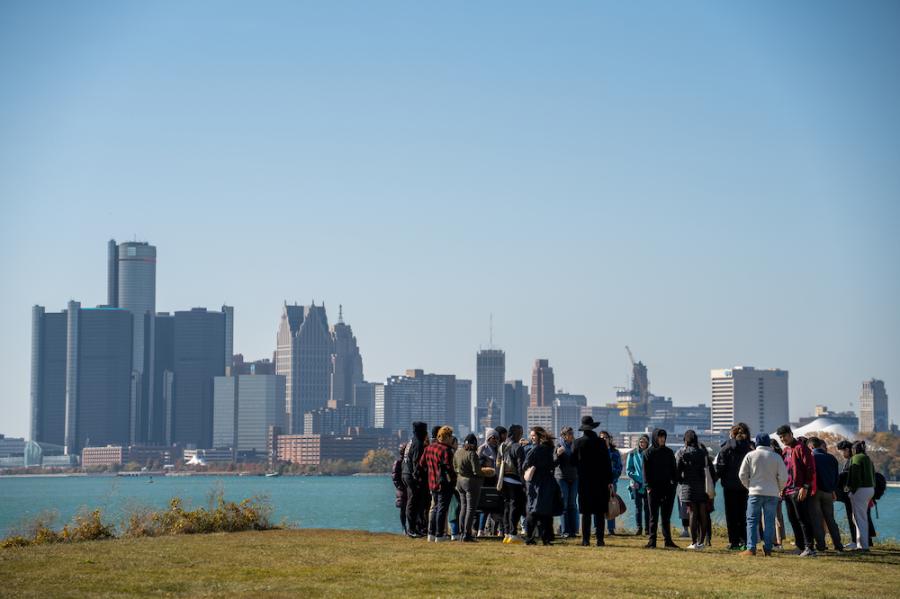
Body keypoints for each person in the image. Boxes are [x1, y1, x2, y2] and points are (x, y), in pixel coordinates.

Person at [738, 433, 788, 556]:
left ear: (757, 443)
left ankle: (751, 548)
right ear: (769, 443)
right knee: (770, 521)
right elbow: (784, 477)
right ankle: (768, 548)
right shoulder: (776, 457)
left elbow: (742, 475)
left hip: (755, 492)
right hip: (772, 493)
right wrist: (778, 488)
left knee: (752, 521)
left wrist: (749, 486)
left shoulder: (750, 455)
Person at [776, 425, 818, 557]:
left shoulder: (801, 448)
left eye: (784, 436)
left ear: (791, 434)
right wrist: (781, 488)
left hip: (798, 489)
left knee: (803, 519)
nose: (782, 439)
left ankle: (810, 548)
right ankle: (800, 546)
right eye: (780, 437)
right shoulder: (785, 450)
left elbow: (810, 469)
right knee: (793, 519)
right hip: (787, 490)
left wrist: (805, 487)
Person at [572, 416, 614, 547]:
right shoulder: (601, 443)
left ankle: (586, 540)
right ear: (593, 427)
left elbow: (572, 462)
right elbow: (608, 463)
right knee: (600, 512)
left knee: (586, 513)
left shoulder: (577, 443)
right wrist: (609, 480)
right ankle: (600, 540)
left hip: (584, 482)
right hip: (600, 482)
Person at [715, 423, 753, 550]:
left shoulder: (725, 448)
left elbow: (720, 467)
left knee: (731, 515)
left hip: (729, 486)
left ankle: (733, 541)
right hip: (745, 486)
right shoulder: (750, 449)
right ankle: (744, 540)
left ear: (732, 434)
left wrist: (716, 478)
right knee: (744, 514)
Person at [523, 426, 560, 545]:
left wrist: (532, 468)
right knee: (546, 512)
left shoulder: (535, 450)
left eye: (533, 435)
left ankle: (530, 538)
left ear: (539, 436)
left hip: (536, 482)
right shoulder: (550, 448)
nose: (531, 437)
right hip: (548, 482)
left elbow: (525, 465)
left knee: (532, 510)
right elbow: (553, 464)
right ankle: (546, 538)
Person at [676, 430, 713, 550]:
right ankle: (702, 542)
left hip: (688, 487)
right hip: (702, 486)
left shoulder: (682, 453)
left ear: (686, 440)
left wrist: (682, 481)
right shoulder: (702, 453)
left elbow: (677, 471)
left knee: (692, 513)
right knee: (702, 513)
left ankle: (693, 542)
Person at [643, 428, 679, 549]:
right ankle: (652, 541)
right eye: (660, 437)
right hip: (653, 489)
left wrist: (674, 485)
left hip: (668, 489)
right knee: (653, 516)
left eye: (664, 437)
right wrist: (648, 486)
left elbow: (674, 470)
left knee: (666, 517)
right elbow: (645, 472)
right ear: (655, 438)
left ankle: (668, 540)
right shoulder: (648, 453)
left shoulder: (669, 452)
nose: (662, 439)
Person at [419, 425, 456, 542]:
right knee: (442, 509)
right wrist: (454, 478)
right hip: (444, 483)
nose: (451, 439)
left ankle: (431, 534)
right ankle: (440, 535)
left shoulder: (428, 448)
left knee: (435, 508)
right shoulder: (446, 450)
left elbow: (421, 464)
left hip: (432, 483)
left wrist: (431, 470)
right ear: (448, 437)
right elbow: (449, 467)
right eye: (451, 436)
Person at [806, 437, 843, 552]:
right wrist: (832, 490)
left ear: (811, 447)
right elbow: (836, 477)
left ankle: (821, 545)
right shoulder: (832, 458)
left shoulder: (811, 458)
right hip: (828, 492)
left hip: (815, 492)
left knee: (817, 519)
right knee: (830, 519)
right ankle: (838, 545)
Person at [498, 424, 527, 544]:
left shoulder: (502, 446)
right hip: (515, 481)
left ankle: (506, 533)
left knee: (507, 506)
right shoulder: (517, 447)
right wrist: (524, 482)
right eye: (520, 432)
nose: (522, 434)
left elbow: (498, 463)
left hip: (503, 480)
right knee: (516, 507)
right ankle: (513, 533)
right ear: (515, 433)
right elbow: (521, 467)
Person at [454, 433, 485, 542]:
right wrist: (485, 473)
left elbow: (455, 467)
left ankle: (462, 532)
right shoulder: (472, 454)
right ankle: (467, 534)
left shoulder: (458, 452)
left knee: (463, 507)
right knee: (471, 509)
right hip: (471, 483)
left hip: (459, 481)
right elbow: (476, 471)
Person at [846, 440, 876, 552]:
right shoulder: (867, 458)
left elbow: (855, 477)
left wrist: (851, 490)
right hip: (870, 489)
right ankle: (860, 544)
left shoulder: (856, 458)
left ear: (854, 450)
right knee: (859, 517)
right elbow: (873, 474)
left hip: (860, 490)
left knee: (860, 518)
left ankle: (864, 546)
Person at [401, 421, 429, 538]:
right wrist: (418, 477)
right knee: (413, 502)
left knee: (413, 501)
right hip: (412, 476)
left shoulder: (411, 441)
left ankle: (414, 528)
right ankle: (412, 529)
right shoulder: (418, 443)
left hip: (406, 473)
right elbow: (417, 462)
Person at [476, 428, 501, 537]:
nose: (496, 440)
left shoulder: (497, 449)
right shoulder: (482, 449)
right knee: (484, 508)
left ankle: (495, 530)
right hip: (486, 481)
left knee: (496, 507)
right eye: (494, 438)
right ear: (489, 438)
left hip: (495, 481)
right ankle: (481, 530)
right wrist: (489, 469)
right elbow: (479, 466)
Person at [555, 426, 579, 538]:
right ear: (563, 436)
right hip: (562, 478)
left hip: (574, 478)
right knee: (564, 505)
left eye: (572, 433)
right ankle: (565, 531)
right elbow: (553, 462)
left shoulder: (575, 445)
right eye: (569, 433)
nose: (572, 435)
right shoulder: (558, 445)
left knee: (573, 504)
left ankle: (573, 531)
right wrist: (557, 454)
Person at [625, 434, 650, 536]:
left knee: (648, 508)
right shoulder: (632, 454)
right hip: (636, 484)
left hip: (647, 484)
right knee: (638, 507)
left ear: (647, 443)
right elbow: (628, 470)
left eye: (644, 442)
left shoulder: (650, 453)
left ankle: (648, 529)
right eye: (640, 442)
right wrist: (636, 480)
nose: (642, 443)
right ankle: (639, 528)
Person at [600, 431, 622, 535]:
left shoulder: (615, 452)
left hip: (612, 483)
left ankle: (611, 529)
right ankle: (598, 528)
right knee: (599, 506)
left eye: (605, 437)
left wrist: (612, 480)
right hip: (599, 483)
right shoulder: (596, 451)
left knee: (611, 504)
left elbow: (619, 468)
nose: (604, 439)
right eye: (602, 438)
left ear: (609, 439)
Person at [392, 443, 409, 534]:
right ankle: (404, 527)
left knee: (408, 509)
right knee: (403, 509)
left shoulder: (408, 461)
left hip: (407, 489)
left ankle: (409, 527)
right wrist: (401, 487)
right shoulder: (398, 462)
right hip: (402, 490)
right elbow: (394, 477)